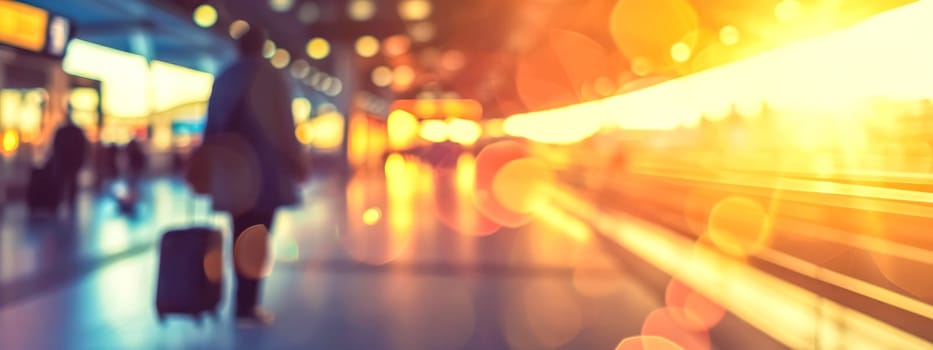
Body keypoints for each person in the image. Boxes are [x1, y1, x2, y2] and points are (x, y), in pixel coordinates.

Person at [198, 26, 307, 325]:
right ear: (263, 46)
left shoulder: (224, 78)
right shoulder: (272, 78)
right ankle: (248, 305)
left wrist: (208, 171)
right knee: (258, 240)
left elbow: (210, 130)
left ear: (237, 47)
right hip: (265, 177)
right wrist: (298, 163)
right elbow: (285, 128)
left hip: (232, 177)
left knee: (238, 235)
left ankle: (239, 302)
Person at [50, 108, 88, 215]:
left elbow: (56, 147)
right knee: (67, 183)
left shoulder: (63, 131)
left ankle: (63, 203)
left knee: (64, 183)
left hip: (67, 162)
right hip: (70, 162)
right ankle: (66, 203)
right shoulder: (75, 131)